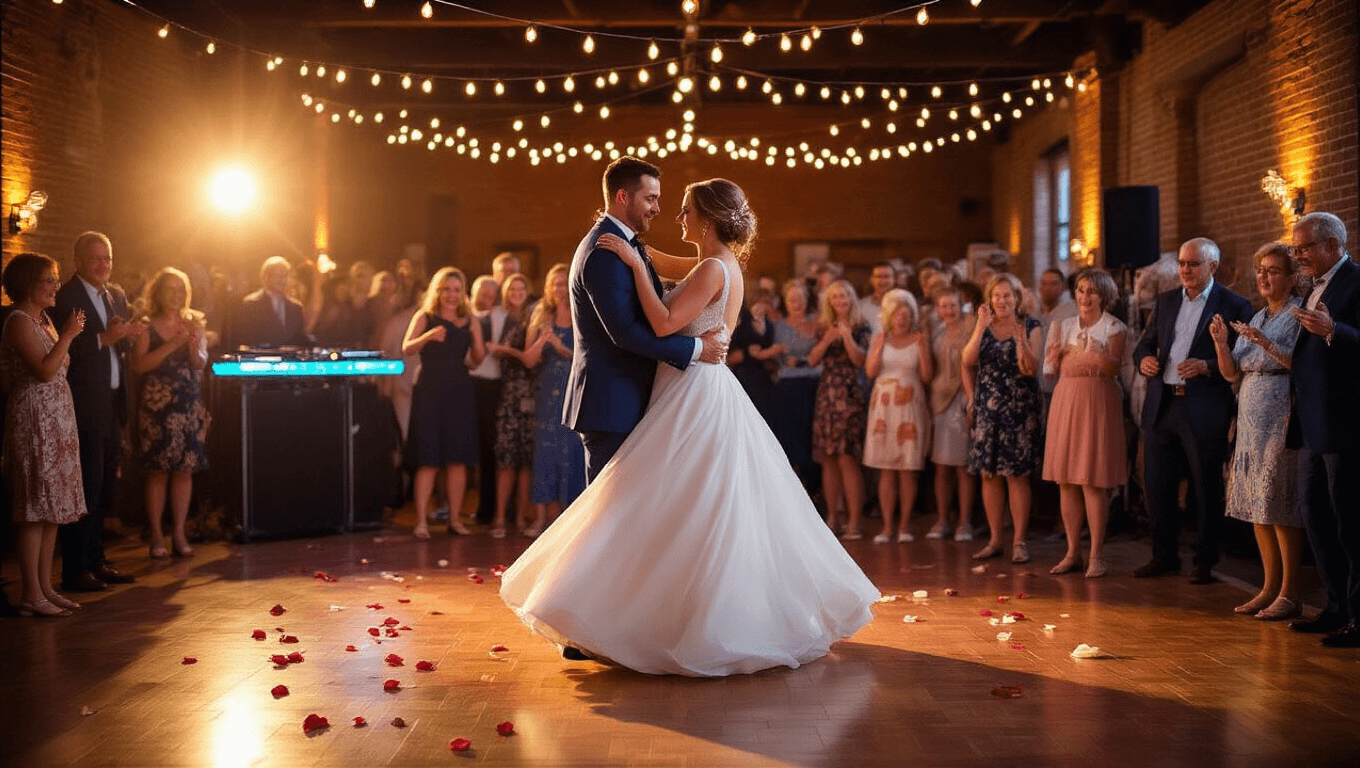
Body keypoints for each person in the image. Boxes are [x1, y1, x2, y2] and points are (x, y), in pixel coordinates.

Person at [501, 177, 878, 677]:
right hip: (693, 384)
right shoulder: (716, 262)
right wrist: (631, 244)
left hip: (693, 390)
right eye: (666, 204)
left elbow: (662, 323)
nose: (676, 216)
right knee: (680, 505)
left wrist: (633, 262)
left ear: (707, 218)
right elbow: (663, 261)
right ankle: (649, 613)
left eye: (685, 210)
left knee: (658, 502)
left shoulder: (712, 268)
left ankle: (658, 619)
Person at [560, 156, 725, 483]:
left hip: (626, 399)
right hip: (612, 404)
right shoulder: (605, 251)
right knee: (610, 505)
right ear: (623, 197)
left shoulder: (626, 245)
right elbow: (624, 332)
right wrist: (696, 349)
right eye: (650, 199)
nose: (657, 209)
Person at [1132, 237, 1253, 584]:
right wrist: (1145, 360)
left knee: (1205, 486)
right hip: (1163, 404)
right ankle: (1164, 555)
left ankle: (1205, 560)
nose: (1185, 270)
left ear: (1212, 267)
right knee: (1158, 484)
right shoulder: (1167, 300)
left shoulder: (1234, 305)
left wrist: (1207, 366)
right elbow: (1143, 345)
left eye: (1193, 264)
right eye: (1182, 263)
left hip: (1203, 407)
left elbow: (1243, 358)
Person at [1208, 243, 1303, 619]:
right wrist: (1221, 344)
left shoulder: (1298, 314)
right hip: (1249, 416)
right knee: (1257, 505)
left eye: (1273, 270)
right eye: (1261, 270)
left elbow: (1298, 363)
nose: (1263, 276)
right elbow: (1232, 373)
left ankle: (1290, 592)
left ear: (1292, 278)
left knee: (1278, 503)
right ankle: (1268, 588)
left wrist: (1264, 342)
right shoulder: (1258, 315)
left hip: (1280, 412)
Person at [51, 232, 143, 592]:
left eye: (107, 258)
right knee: (84, 486)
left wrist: (129, 336)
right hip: (84, 401)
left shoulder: (115, 294)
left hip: (112, 401)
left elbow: (118, 346)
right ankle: (75, 568)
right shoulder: (66, 296)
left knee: (105, 486)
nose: (103, 264)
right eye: (95, 258)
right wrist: (105, 339)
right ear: (78, 261)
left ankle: (98, 560)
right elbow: (62, 346)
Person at [1284, 212, 1360, 647]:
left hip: (1345, 422)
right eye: (1295, 249)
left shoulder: (1355, 281)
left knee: (1349, 520)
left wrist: (1334, 330)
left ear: (1332, 245)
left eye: (1304, 248)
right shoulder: (1312, 288)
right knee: (1314, 514)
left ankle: (1358, 616)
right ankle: (1335, 607)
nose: (1298, 256)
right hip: (1312, 422)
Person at [1, 253, 88, 615]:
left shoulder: (44, 319)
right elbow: (45, 370)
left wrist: (63, 334)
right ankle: (30, 594)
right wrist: (68, 335)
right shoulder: (18, 322)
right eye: (49, 280)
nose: (56, 286)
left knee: (52, 508)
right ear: (28, 284)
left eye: (55, 279)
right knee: (34, 508)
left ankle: (45, 588)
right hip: (33, 419)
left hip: (57, 419)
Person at [1041, 269, 1127, 578]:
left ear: (1103, 295)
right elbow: (1049, 373)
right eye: (1080, 290)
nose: (1085, 296)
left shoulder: (1114, 327)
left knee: (1092, 479)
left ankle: (1096, 555)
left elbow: (1113, 368)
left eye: (1091, 291)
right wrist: (1054, 357)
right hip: (1066, 398)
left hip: (1097, 401)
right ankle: (1072, 552)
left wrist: (1090, 357)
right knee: (1066, 479)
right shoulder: (1062, 326)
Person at [962, 273, 1043, 564]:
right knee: (989, 473)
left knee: (1016, 474)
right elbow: (967, 361)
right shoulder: (983, 326)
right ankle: (995, 540)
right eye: (997, 295)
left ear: (1017, 298)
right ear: (990, 299)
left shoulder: (1031, 326)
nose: (1002, 300)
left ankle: (1019, 541)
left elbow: (1031, 368)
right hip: (987, 407)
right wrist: (980, 327)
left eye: (1007, 295)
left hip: (1019, 408)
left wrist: (1021, 341)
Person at [130, 268, 210, 560]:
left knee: (184, 469)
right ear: (158, 293)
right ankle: (156, 534)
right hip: (157, 406)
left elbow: (200, 363)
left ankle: (178, 532)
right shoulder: (146, 326)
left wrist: (194, 349)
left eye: (181, 290)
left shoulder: (194, 322)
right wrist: (174, 344)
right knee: (158, 470)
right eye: (171, 289)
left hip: (188, 403)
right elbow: (139, 365)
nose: (176, 295)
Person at [401, 267, 485, 539]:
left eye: (456, 290)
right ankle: (421, 522)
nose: (451, 295)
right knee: (428, 459)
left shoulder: (470, 319)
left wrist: (479, 344)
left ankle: (455, 521)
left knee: (457, 459)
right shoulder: (424, 316)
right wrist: (427, 336)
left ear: (462, 293)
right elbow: (406, 348)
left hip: (459, 391)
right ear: (437, 291)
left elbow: (478, 359)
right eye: (446, 289)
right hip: (430, 391)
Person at [863, 289, 932, 543]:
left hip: (909, 405)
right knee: (886, 468)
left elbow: (926, 376)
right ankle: (887, 526)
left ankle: (904, 526)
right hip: (883, 406)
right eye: (897, 315)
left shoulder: (919, 339)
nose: (902, 319)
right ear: (890, 317)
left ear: (912, 317)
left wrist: (923, 350)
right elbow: (870, 372)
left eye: (906, 315)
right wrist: (878, 347)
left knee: (907, 468)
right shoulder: (880, 338)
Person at [524, 264, 585, 536]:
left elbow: (587, 356)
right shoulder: (541, 314)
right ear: (548, 287)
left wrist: (562, 349)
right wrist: (542, 340)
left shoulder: (580, 311)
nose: (560, 289)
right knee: (544, 452)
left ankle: (567, 517)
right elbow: (528, 360)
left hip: (573, 388)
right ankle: (540, 518)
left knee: (571, 449)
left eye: (564, 283)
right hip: (547, 390)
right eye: (555, 284)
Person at [810, 279, 871, 538]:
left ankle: (854, 521)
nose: (840, 300)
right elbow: (812, 360)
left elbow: (860, 361)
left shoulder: (861, 327)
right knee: (828, 458)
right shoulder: (824, 327)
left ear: (851, 299)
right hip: (827, 393)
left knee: (847, 457)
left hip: (850, 393)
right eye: (835, 297)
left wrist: (846, 336)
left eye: (844, 296)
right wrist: (826, 340)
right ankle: (832, 518)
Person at [487, 274, 538, 536]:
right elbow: (489, 350)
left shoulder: (534, 318)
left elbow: (530, 358)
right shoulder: (500, 318)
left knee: (526, 461)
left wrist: (505, 350)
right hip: (506, 393)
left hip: (530, 392)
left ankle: (519, 518)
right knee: (506, 459)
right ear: (505, 293)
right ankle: (499, 518)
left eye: (521, 289)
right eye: (512, 289)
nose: (517, 293)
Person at [928, 287, 977, 541]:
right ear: (938, 309)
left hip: (962, 398)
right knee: (942, 465)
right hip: (940, 402)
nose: (948, 311)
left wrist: (971, 400)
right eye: (943, 306)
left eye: (952, 306)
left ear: (961, 306)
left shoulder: (971, 328)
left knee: (963, 465)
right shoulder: (937, 331)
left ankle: (965, 522)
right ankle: (942, 519)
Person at [769, 280, 823, 491]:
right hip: (786, 386)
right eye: (791, 300)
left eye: (800, 299)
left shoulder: (817, 322)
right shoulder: (778, 325)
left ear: (807, 300)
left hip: (812, 384)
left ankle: (814, 487)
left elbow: (819, 355)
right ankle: (791, 487)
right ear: (785, 301)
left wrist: (800, 360)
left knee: (810, 436)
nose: (796, 304)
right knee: (788, 437)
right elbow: (775, 357)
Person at [469, 275, 507, 525]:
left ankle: (488, 508)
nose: (487, 298)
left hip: (493, 385)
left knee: (488, 447)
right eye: (483, 293)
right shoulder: (464, 316)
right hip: (467, 382)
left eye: (492, 295)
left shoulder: (503, 316)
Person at [229, 256, 307, 349]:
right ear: (266, 277)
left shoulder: (296, 307)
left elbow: (300, 341)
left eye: (285, 276)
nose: (283, 280)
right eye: (278, 276)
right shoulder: (250, 305)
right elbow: (243, 340)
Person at [727, 290, 778, 425]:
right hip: (743, 373)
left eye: (766, 303)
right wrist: (746, 352)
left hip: (762, 374)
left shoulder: (769, 324)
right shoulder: (742, 320)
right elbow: (732, 349)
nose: (762, 306)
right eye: (760, 302)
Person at [858, 262, 897, 335]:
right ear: (871, 280)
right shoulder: (861, 306)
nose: (883, 281)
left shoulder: (903, 304)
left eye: (886, 277)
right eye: (878, 277)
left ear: (894, 280)